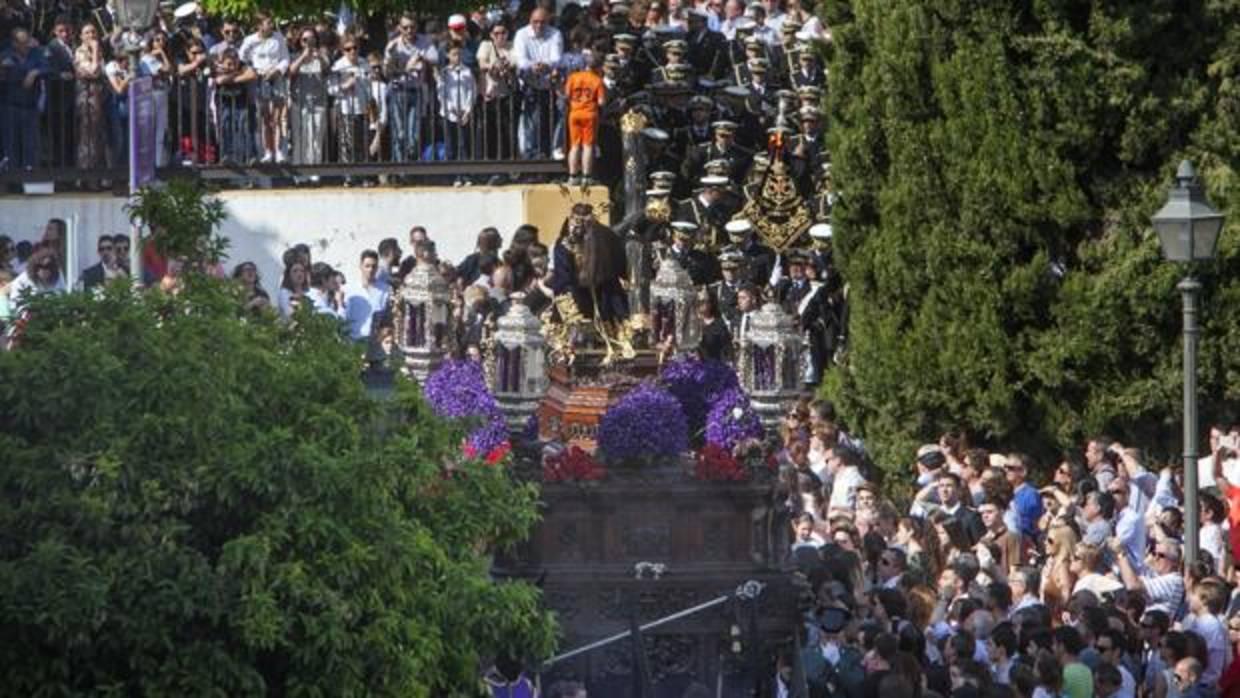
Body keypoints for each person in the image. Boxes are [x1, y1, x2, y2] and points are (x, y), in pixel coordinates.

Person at [239, 12, 290, 163]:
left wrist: (277, 70)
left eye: (271, 22)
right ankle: (267, 150)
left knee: (277, 116)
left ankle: (279, 150)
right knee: (265, 118)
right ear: (259, 25)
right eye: (268, 22)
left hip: (276, 78)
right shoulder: (250, 40)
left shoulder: (278, 38)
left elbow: (285, 58)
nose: (271, 25)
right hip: (260, 80)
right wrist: (254, 68)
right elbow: (242, 57)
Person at [513, 8, 563, 159]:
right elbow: (520, 59)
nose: (539, 25)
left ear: (548, 22)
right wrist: (533, 66)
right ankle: (531, 157)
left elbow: (556, 58)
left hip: (549, 86)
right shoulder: (522, 34)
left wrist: (545, 65)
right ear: (530, 21)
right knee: (531, 124)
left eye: (542, 22)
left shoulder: (555, 34)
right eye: (535, 22)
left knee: (549, 123)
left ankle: (546, 156)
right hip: (530, 85)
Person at [1, 27, 48, 169]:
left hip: (30, 106)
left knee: (31, 144)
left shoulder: (36, 54)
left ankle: (29, 178)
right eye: (22, 42)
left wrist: (35, 72)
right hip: (11, 106)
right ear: (14, 43)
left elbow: (48, 68)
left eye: (27, 41)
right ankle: (12, 179)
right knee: (12, 144)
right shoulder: (6, 55)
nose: (26, 45)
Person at [288, 26, 330, 166]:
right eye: (305, 39)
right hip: (299, 103)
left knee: (316, 139)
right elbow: (290, 72)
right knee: (300, 138)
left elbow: (327, 70)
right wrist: (302, 57)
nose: (309, 43)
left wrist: (319, 58)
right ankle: (299, 173)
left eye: (312, 39)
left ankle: (315, 172)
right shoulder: (295, 56)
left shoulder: (321, 55)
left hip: (317, 103)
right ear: (300, 41)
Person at [564, 50, 605, 186]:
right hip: (590, 113)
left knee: (574, 146)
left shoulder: (573, 77)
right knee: (588, 146)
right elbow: (601, 102)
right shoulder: (597, 80)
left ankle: (572, 175)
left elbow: (566, 95)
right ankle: (586, 176)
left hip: (574, 113)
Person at [437, 44, 477, 167]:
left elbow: (472, 91)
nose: (457, 57)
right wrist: (451, 109)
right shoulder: (445, 73)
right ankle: (452, 175)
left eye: (459, 54)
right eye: (454, 54)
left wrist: (467, 111)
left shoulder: (467, 71)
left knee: (464, 144)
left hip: (464, 114)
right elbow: (441, 93)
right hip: (449, 114)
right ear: (448, 55)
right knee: (450, 145)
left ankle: (465, 174)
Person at [344, 250, 389, 342]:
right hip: (354, 339)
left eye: (374, 266)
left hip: (376, 340)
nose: (370, 270)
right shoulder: (349, 289)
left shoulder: (385, 290)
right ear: (360, 266)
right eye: (367, 266)